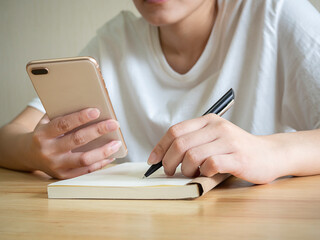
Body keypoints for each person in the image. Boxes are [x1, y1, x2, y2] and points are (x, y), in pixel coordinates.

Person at [0, 0, 319, 183]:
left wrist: (268, 150)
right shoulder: (117, 39)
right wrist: (34, 152)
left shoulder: (275, 13)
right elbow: (7, 137)